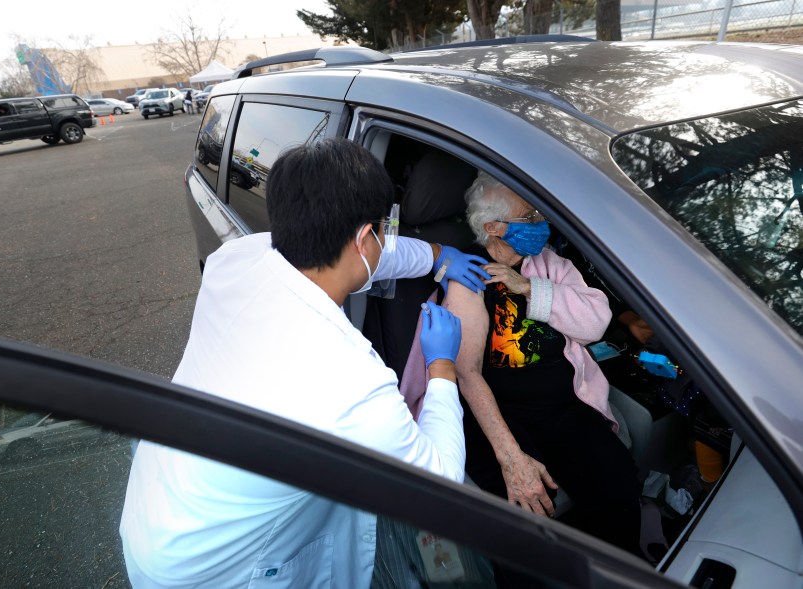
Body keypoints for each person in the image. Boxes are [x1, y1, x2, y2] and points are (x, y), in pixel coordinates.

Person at [119, 138, 492, 588]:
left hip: (163, 503)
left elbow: (375, 255)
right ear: (363, 238)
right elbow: (441, 485)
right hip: (215, 569)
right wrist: (442, 368)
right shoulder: (351, 378)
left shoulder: (236, 259)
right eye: (380, 231)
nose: (383, 242)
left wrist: (438, 256)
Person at [444, 172, 642, 554]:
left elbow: (596, 324)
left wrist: (530, 288)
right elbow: (466, 374)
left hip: (564, 406)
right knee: (524, 515)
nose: (541, 222)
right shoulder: (470, 276)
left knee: (618, 485)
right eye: (529, 216)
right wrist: (511, 456)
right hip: (500, 414)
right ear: (494, 227)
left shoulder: (550, 265)